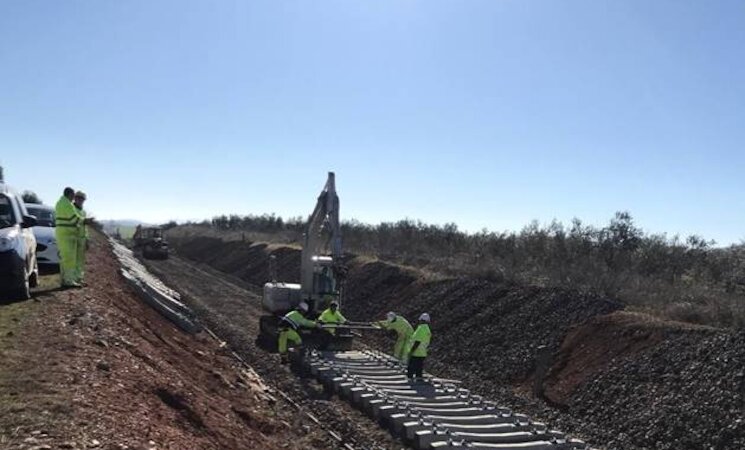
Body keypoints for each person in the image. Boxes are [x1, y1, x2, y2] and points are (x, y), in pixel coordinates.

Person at [54, 187, 83, 288]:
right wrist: (86, 221)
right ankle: (69, 281)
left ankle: (64, 280)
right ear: (70, 194)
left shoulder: (60, 202)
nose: (74, 197)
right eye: (73, 195)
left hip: (63, 234)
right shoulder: (67, 204)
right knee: (69, 259)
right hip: (67, 235)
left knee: (64, 258)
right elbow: (74, 219)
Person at [407, 313, 432, 382]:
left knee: (412, 365)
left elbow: (417, 341)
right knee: (419, 366)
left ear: (421, 320)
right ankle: (419, 377)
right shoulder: (427, 329)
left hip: (416, 352)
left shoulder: (421, 328)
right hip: (423, 352)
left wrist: (411, 351)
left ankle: (410, 377)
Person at [72, 191, 89, 285]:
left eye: (82, 199)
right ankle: (72, 279)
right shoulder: (72, 209)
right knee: (73, 260)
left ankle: (79, 278)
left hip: (82, 238)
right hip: (73, 238)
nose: (80, 201)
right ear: (75, 198)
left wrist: (87, 239)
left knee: (80, 261)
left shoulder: (83, 211)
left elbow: (85, 227)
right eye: (79, 198)